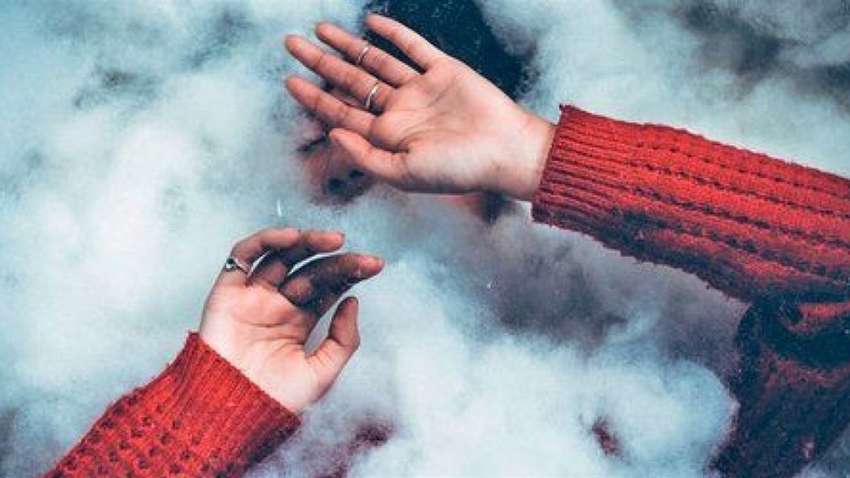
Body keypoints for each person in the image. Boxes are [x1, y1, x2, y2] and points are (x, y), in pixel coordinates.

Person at [45, 13, 850, 478]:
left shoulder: (675, 412)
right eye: (332, 170)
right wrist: (198, 421)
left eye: (410, 161)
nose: (371, 182)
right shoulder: (270, 444)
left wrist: (544, 155)